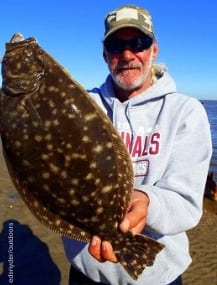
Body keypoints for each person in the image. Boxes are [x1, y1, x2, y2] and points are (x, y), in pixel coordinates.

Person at [62, 4, 212, 285]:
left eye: (139, 43)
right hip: (86, 270)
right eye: (117, 44)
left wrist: (147, 201)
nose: (128, 55)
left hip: (159, 274)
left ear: (154, 49)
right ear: (105, 54)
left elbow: (188, 202)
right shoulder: (80, 107)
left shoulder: (185, 112)